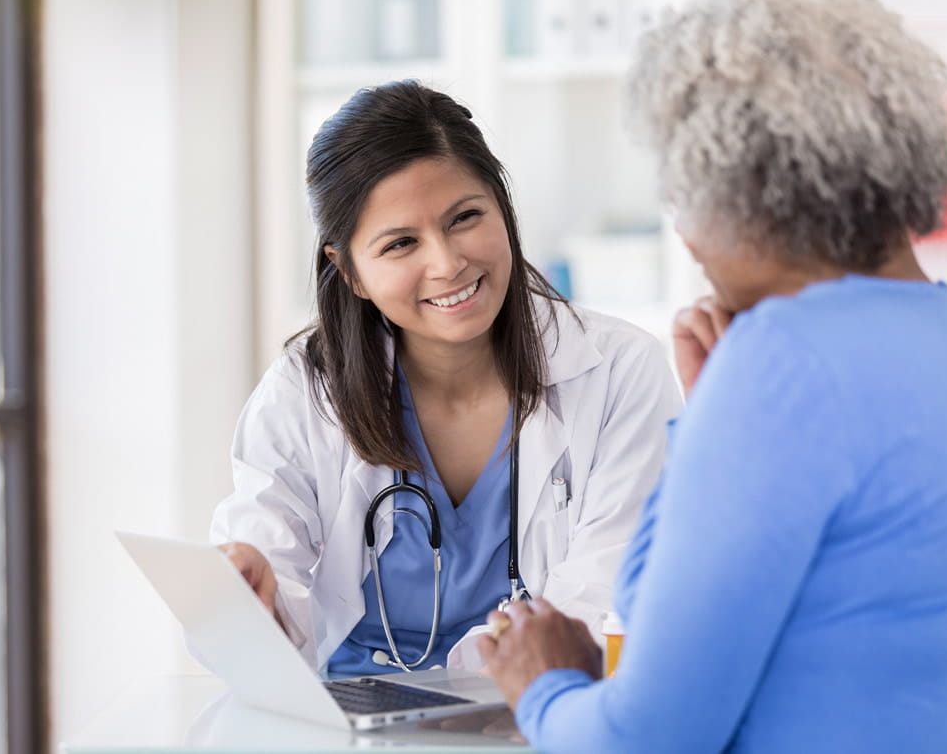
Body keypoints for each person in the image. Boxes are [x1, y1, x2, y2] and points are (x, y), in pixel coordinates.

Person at [477, 0, 947, 752]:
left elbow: (642, 742)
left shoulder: (782, 366)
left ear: (735, 188)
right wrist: (713, 416)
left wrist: (543, 683)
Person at [208, 80, 683, 678]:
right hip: (350, 725)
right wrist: (250, 599)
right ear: (349, 271)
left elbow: (608, 595)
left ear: (502, 209)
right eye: (401, 243)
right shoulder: (303, 393)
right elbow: (261, 574)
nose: (447, 262)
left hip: (534, 713)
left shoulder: (619, 372)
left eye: (465, 218)